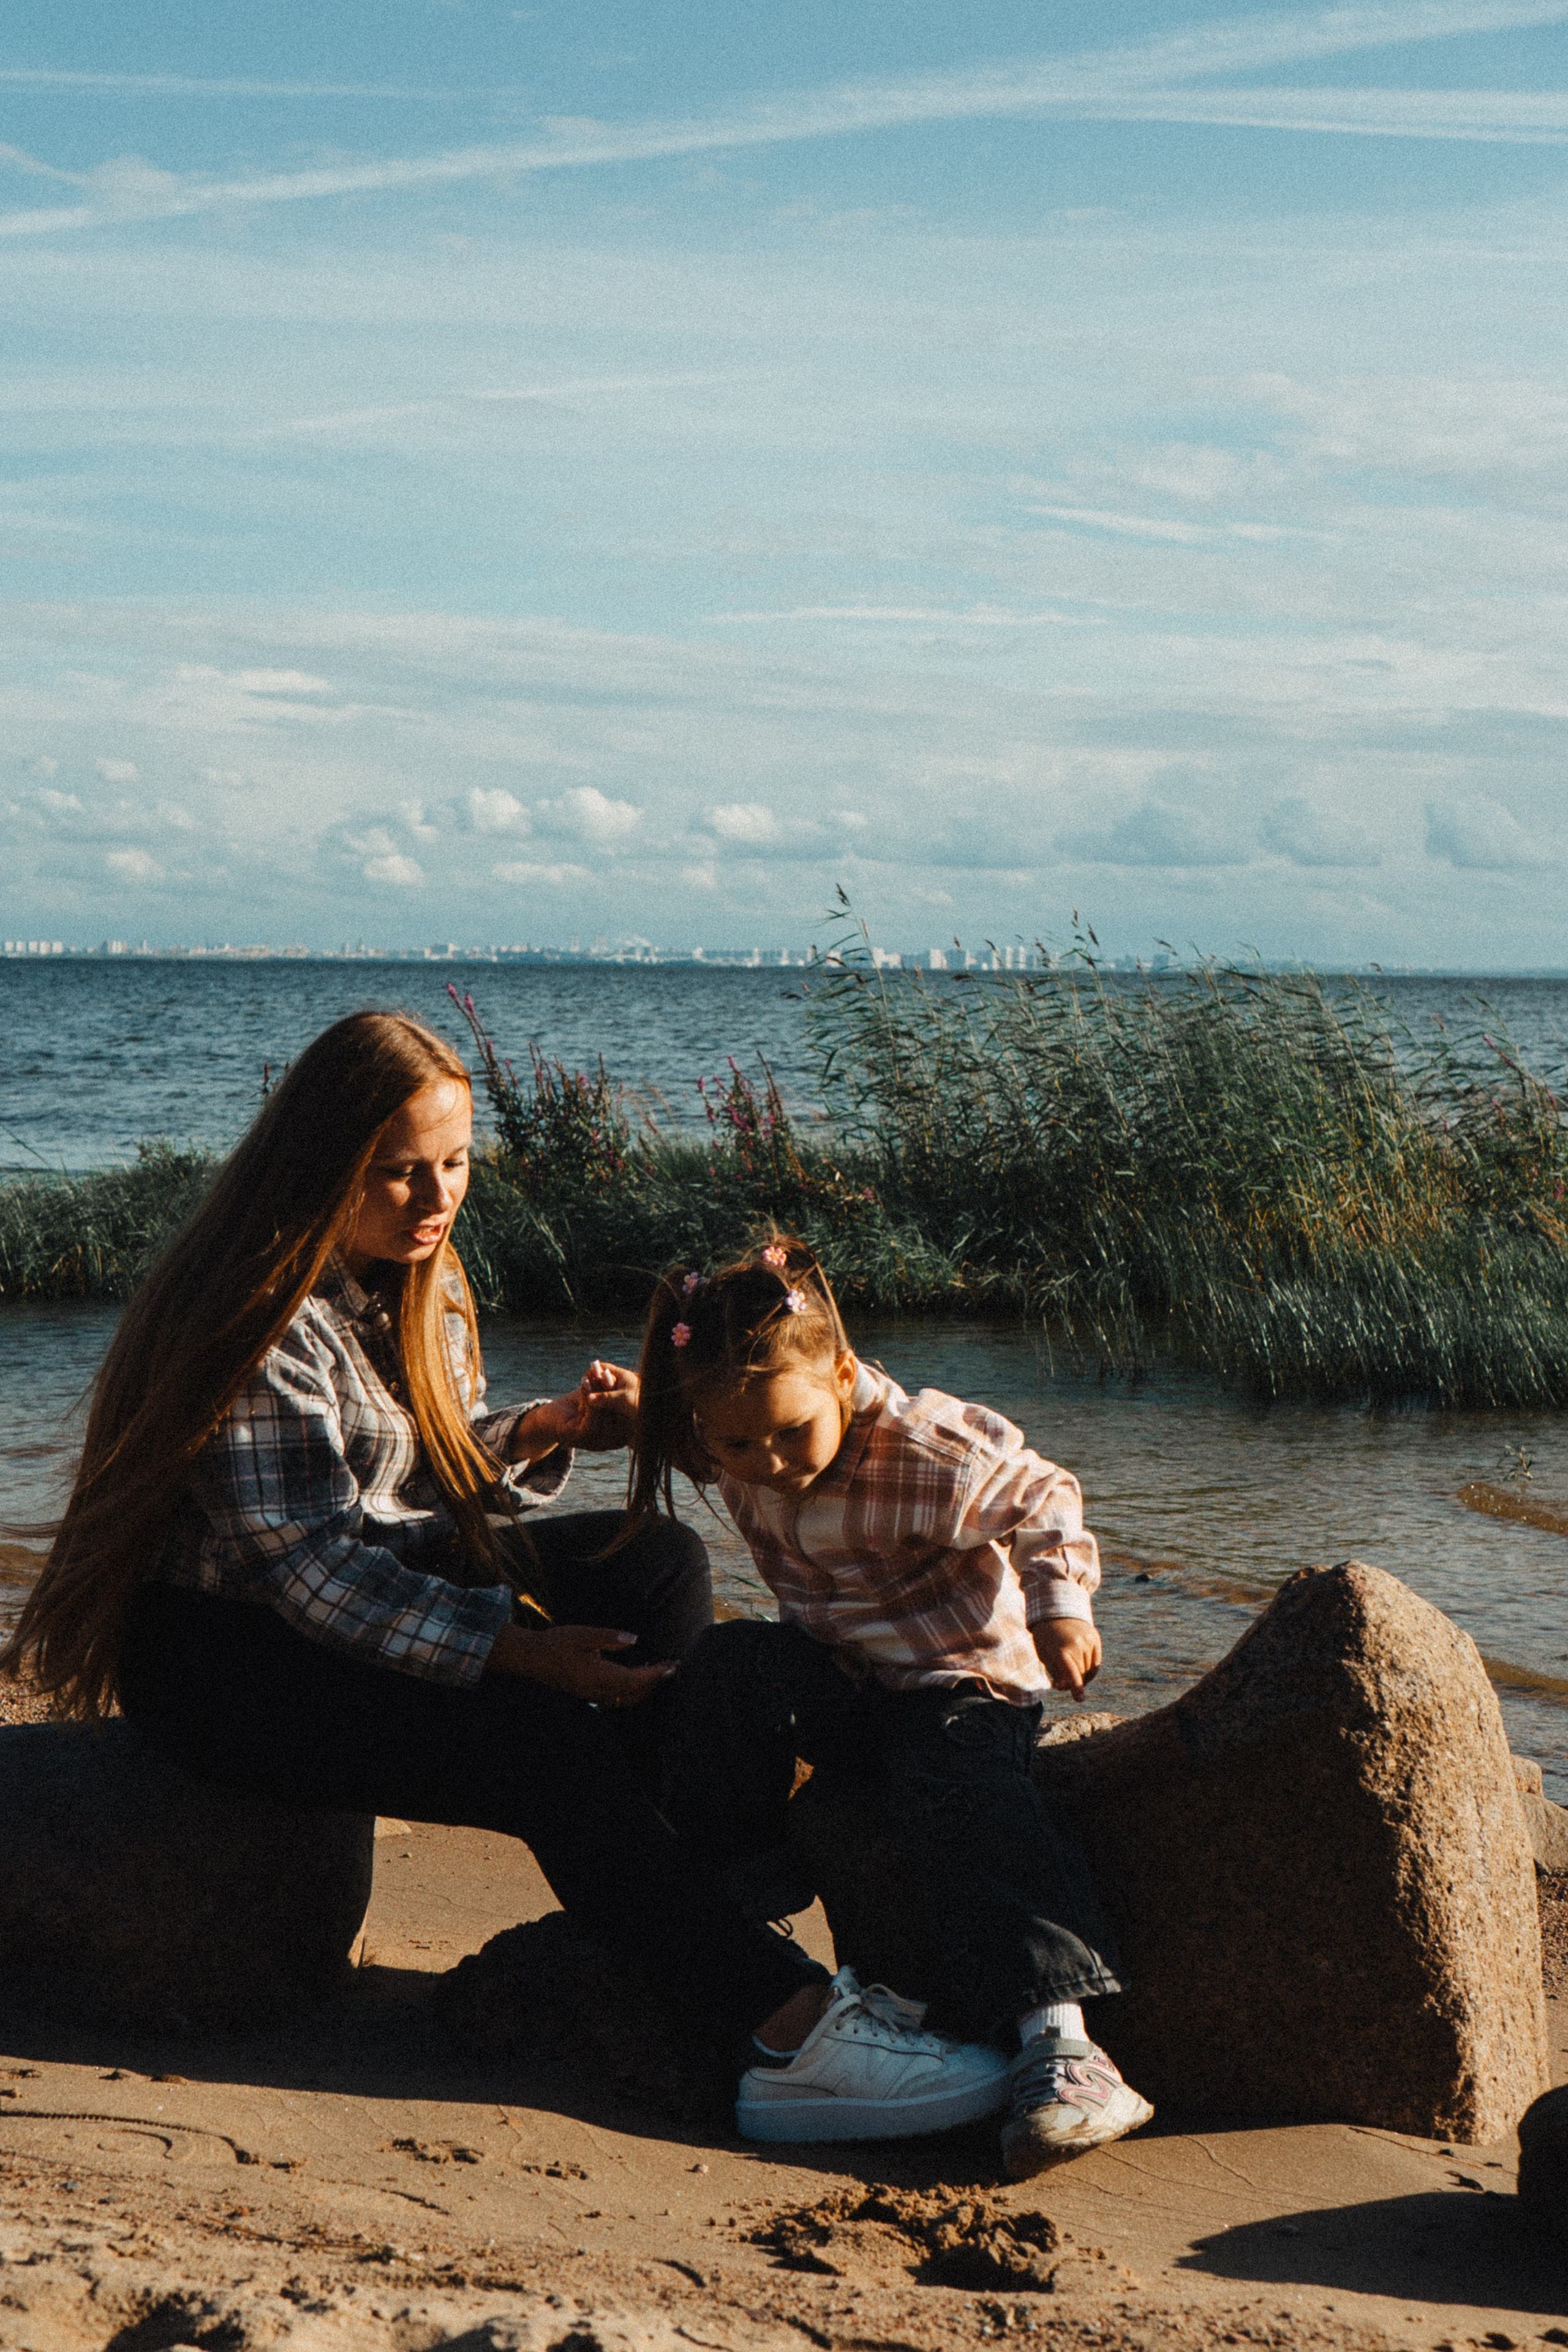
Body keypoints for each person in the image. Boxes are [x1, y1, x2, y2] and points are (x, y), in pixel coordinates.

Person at [0, 1012, 1008, 2132]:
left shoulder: (411, 1276)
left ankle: (675, 1922)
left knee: (654, 1559)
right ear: (322, 1166)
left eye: (456, 1163)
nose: (436, 1199)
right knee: (540, 1738)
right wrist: (520, 1652)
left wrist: (545, 1429)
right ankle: (787, 2032)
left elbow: (401, 1476)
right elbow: (317, 1571)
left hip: (346, 1592)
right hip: (225, 1658)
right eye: (398, 1174)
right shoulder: (260, 1321)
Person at [624, 1234, 1155, 2174]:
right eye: (739, 1444)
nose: (772, 1463)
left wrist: (1060, 1609)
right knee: (726, 1663)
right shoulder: (730, 1432)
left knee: (954, 1777)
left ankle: (1061, 2040)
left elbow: (1047, 1500)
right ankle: (746, 1897)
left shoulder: (920, 1447)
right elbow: (686, 1423)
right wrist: (575, 1420)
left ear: (839, 1376)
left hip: (964, 1683)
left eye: (793, 1434)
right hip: (848, 1683)